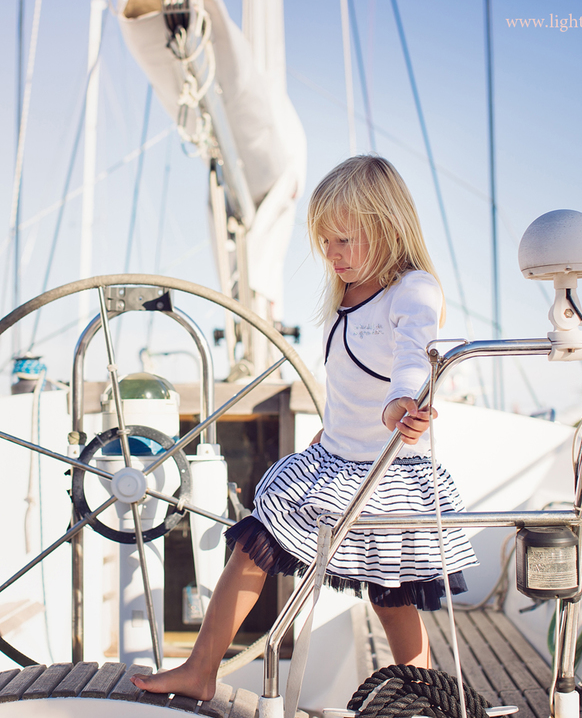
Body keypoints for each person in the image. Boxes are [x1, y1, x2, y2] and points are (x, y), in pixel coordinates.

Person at [132, 155, 478, 700]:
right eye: (324, 242)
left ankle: (424, 700)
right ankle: (201, 668)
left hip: (389, 469)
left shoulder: (413, 289)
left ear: (388, 228)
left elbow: (414, 355)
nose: (331, 254)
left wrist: (402, 403)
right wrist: (331, 430)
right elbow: (350, 382)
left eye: (344, 240)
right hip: (337, 458)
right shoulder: (345, 297)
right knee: (257, 539)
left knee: (392, 596)